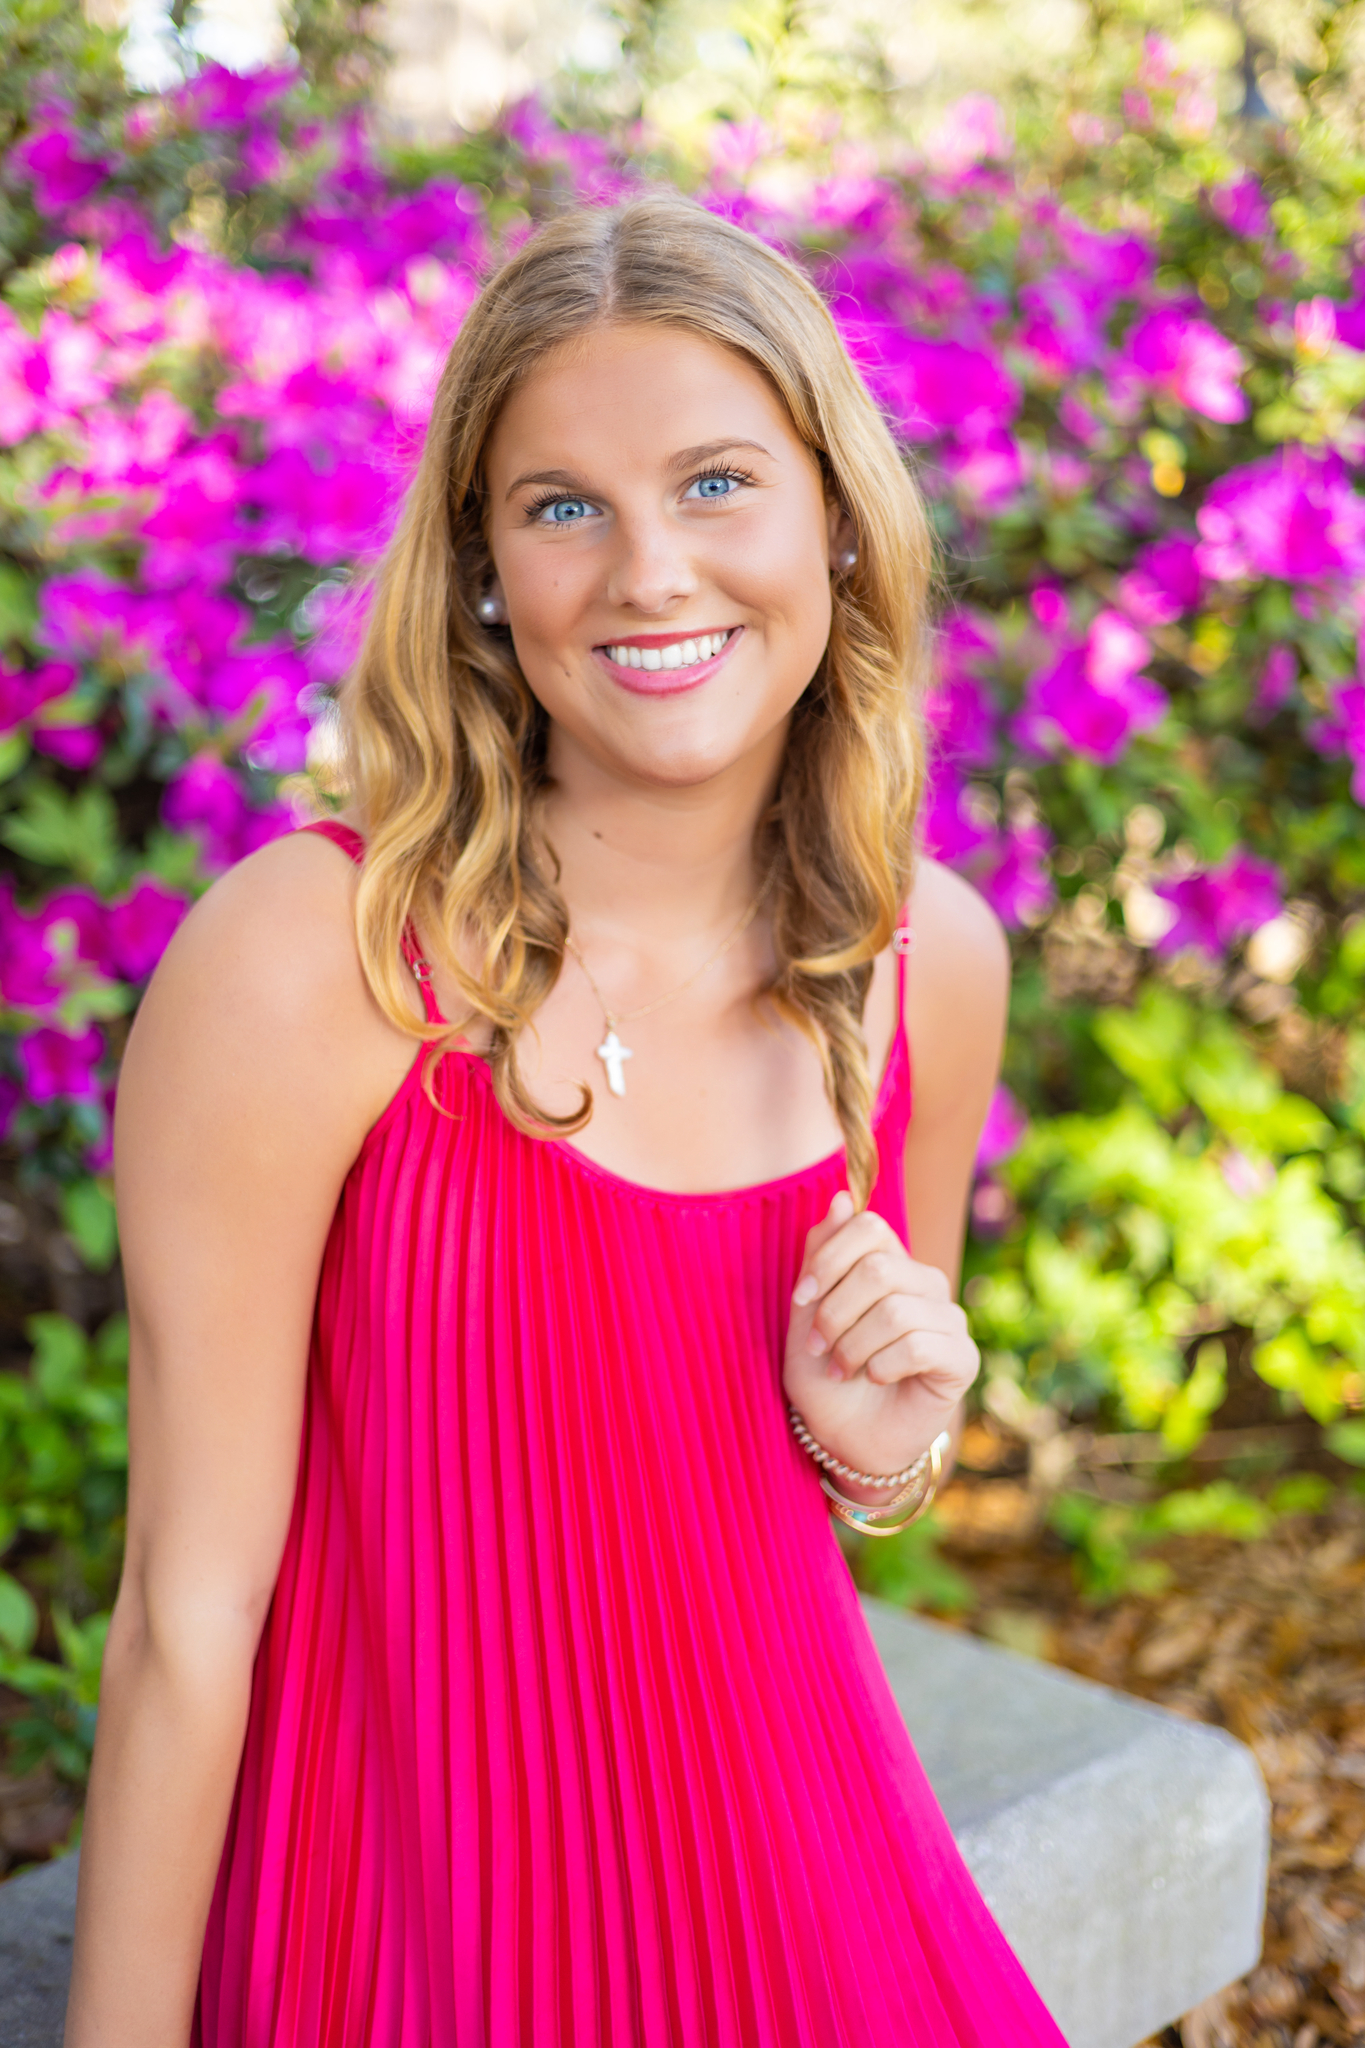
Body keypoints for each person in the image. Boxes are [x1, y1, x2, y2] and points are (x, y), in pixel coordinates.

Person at [64, 194, 1067, 2046]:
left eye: (712, 484)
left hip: (812, 1903)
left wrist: (875, 1452)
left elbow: (862, 1503)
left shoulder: (929, 959)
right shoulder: (312, 959)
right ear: (479, 571)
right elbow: (182, 1622)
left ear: (834, 524)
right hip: (406, 1931)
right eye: (560, 507)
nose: (647, 575)